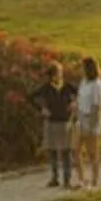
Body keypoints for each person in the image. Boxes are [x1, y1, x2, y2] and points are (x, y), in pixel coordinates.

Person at [38, 61, 78, 189]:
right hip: (52, 122)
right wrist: (42, 108)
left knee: (66, 152)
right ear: (52, 75)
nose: (60, 75)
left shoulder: (67, 86)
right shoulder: (46, 88)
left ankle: (67, 180)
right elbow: (31, 96)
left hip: (65, 122)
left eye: (60, 72)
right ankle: (55, 178)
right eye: (58, 73)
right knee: (53, 151)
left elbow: (80, 93)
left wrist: (75, 103)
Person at [75, 56, 101, 189]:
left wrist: (92, 124)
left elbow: (96, 105)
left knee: (92, 152)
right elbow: (79, 100)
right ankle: (81, 179)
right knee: (75, 149)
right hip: (81, 117)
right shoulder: (84, 82)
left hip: (91, 118)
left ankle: (95, 180)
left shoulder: (96, 85)